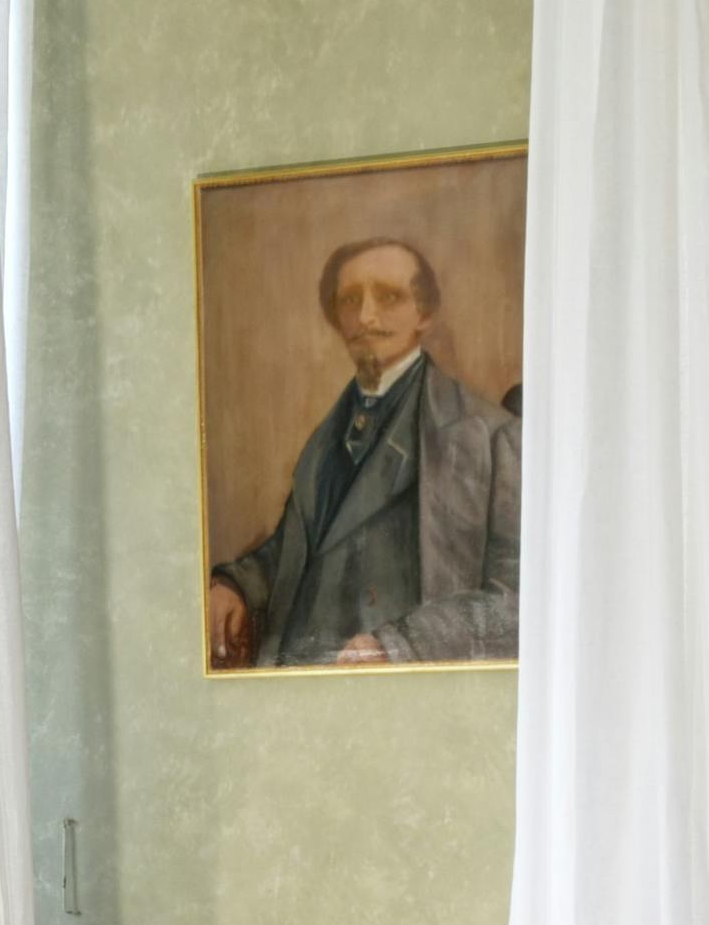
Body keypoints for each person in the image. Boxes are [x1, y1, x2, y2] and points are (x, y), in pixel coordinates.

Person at [205, 232, 515, 667]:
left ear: (424, 314)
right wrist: (236, 584)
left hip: (399, 695)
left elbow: (517, 605)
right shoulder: (325, 438)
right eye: (350, 300)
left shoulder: (489, 437)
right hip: (296, 685)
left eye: (388, 297)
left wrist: (401, 643)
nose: (366, 317)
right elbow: (296, 549)